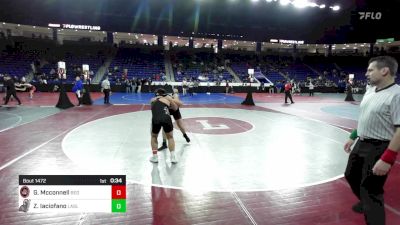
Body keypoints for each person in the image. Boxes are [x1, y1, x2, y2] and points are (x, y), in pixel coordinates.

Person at [343, 56, 400, 225]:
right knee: (350, 175)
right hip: (362, 142)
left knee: (371, 190)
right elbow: (365, 116)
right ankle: (365, 201)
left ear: (384, 71)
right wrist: (353, 136)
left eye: (370, 70)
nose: (366, 73)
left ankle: (371, 208)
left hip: (380, 147)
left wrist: (388, 158)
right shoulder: (370, 90)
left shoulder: (396, 95)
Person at [150, 88, 179, 163]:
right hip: (166, 118)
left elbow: (153, 107)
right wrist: (170, 101)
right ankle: (173, 157)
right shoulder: (167, 99)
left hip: (156, 118)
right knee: (170, 137)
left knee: (154, 136)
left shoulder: (152, 99)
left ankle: (155, 157)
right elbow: (175, 108)